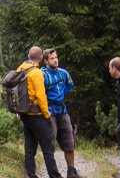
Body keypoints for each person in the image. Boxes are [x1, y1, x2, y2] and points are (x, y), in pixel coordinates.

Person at [18, 46, 62, 178]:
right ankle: (55, 176)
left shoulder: (20, 68)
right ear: (42, 58)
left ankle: (32, 175)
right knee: (48, 149)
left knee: (30, 148)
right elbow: (41, 96)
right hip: (37, 115)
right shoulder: (36, 73)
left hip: (24, 113)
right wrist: (47, 114)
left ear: (28, 55)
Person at [43, 49, 78, 178]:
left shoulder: (63, 73)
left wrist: (61, 95)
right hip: (49, 112)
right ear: (46, 61)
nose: (55, 60)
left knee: (69, 141)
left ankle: (71, 172)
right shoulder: (43, 75)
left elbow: (69, 85)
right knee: (50, 143)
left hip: (62, 111)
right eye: (52, 58)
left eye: (56, 57)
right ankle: (53, 174)